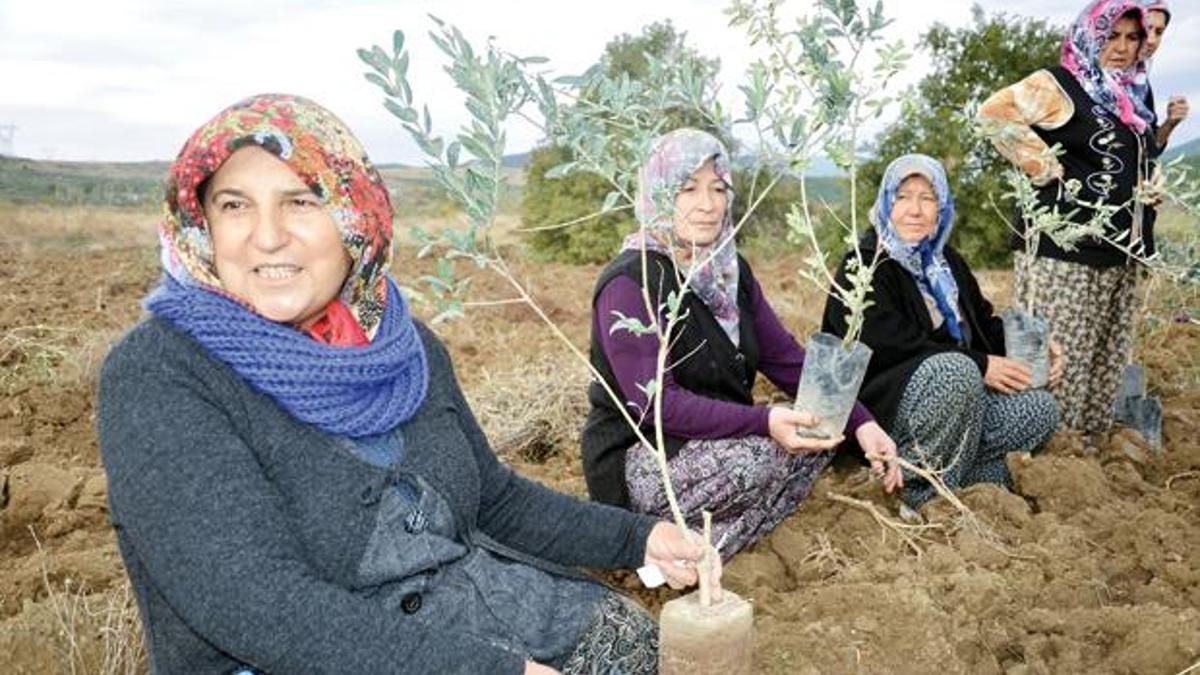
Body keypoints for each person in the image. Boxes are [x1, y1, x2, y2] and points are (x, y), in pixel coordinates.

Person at [97, 94, 714, 675]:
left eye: (301, 201)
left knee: (633, 643)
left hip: (461, 611)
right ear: (200, 224)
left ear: (355, 220)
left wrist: (639, 539)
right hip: (299, 656)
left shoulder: (403, 346)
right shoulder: (163, 372)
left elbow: (493, 500)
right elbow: (258, 605)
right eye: (234, 205)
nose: (266, 235)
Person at [580, 128, 902, 560]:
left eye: (718, 188)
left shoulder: (728, 273)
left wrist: (861, 421)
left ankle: (701, 550)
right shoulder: (631, 280)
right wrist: (765, 421)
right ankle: (651, 544)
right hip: (645, 458)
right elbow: (659, 407)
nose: (708, 204)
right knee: (762, 457)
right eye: (687, 189)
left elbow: (784, 358)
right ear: (658, 195)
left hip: (722, 441)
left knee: (821, 434)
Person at [821, 154, 1062, 509]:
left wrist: (1039, 346)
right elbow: (886, 343)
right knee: (957, 372)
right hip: (887, 407)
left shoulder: (946, 262)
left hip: (960, 406)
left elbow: (982, 323)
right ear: (886, 203)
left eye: (927, 197)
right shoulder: (865, 263)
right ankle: (923, 498)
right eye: (903, 197)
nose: (915, 210)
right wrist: (980, 364)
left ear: (942, 207)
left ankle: (955, 477)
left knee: (1041, 409)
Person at [977, 0, 1158, 441]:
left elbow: (1129, 159)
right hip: (1065, 254)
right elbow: (993, 113)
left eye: (1132, 38)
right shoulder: (1060, 84)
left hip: (1120, 254)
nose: (1121, 47)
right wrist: (1043, 167)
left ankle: (1086, 463)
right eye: (1110, 35)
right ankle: (1046, 461)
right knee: (1062, 365)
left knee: (1104, 362)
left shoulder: (1131, 95)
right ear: (1089, 35)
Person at [1140, 0, 1190, 150]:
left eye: (1159, 32)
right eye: (1146, 29)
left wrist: (1170, 123)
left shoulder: (1141, 88)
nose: (1151, 40)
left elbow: (1149, 149)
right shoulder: (1088, 78)